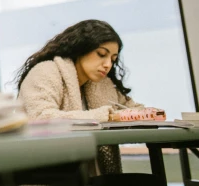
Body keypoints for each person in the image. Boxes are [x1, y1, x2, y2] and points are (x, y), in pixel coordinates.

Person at [16, 20, 160, 181]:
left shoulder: (102, 84)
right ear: (81, 48)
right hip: (51, 175)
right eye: (101, 54)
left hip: (93, 176)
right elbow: (42, 118)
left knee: (151, 180)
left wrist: (145, 113)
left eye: (113, 59)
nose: (107, 65)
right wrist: (109, 116)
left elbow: (132, 108)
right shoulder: (46, 72)